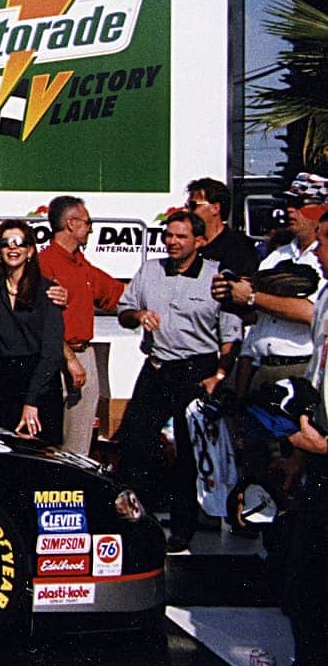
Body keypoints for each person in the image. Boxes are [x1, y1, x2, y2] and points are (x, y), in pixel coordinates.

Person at [116, 210, 243, 552]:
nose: (171, 242)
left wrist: (219, 375)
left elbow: (230, 336)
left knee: (188, 453)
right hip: (157, 367)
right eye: (168, 235)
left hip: (195, 370)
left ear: (199, 242)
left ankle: (183, 529)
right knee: (134, 444)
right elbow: (123, 311)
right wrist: (138, 315)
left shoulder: (217, 278)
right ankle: (134, 524)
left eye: (181, 237)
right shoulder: (150, 270)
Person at [218, 173, 327, 395]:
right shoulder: (276, 256)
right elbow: (257, 317)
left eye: (299, 204)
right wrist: (230, 293)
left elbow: (311, 312)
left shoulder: (323, 259)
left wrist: (251, 297)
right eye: (288, 203)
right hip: (260, 366)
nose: (290, 210)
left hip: (299, 367)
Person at [38, 195, 126, 454]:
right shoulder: (45, 264)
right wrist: (70, 359)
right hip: (58, 358)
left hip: (83, 355)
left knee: (80, 438)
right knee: (53, 439)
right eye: (88, 223)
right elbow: (43, 321)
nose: (90, 229)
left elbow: (116, 292)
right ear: (71, 223)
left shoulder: (81, 264)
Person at [281, 212, 328, 666]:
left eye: (326, 242)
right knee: (303, 582)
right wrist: (301, 450)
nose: (317, 252)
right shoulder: (327, 294)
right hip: (316, 456)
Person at [0, 220, 66, 444]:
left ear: (30, 251)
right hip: (5, 384)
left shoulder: (48, 291)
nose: (13, 248)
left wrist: (32, 402)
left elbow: (52, 353)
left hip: (40, 385)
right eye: (6, 243)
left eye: (19, 243)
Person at [186, 176, 260, 277]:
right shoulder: (190, 245)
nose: (187, 211)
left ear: (215, 208)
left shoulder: (240, 247)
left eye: (193, 205)